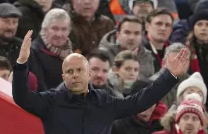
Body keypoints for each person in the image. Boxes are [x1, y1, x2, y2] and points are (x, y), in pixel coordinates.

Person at [12, 29, 190, 134]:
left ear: (88, 74)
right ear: (63, 77)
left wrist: (169, 75)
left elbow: (140, 101)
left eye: (79, 70)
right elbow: (21, 97)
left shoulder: (105, 102)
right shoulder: (50, 101)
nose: (75, 75)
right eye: (69, 71)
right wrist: (21, 64)